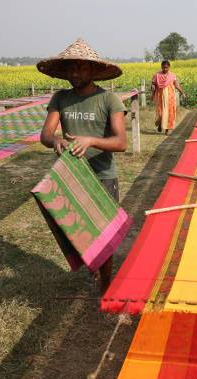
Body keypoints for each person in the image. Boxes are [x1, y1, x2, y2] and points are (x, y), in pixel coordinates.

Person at [37, 38, 127, 292]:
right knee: (78, 228)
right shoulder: (61, 98)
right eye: (71, 69)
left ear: (93, 70)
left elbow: (121, 142)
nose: (75, 73)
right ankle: (94, 268)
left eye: (81, 68)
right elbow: (45, 135)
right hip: (71, 174)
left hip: (102, 174)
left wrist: (92, 141)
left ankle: (106, 285)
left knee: (105, 234)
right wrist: (55, 140)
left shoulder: (109, 100)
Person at [151, 60, 186, 134]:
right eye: (163, 67)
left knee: (169, 113)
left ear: (169, 67)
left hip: (170, 97)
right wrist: (153, 88)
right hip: (160, 96)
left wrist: (182, 92)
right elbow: (153, 84)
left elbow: (176, 85)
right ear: (161, 67)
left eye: (166, 68)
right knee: (161, 112)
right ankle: (160, 124)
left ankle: (167, 130)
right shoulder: (156, 75)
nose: (165, 69)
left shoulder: (172, 75)